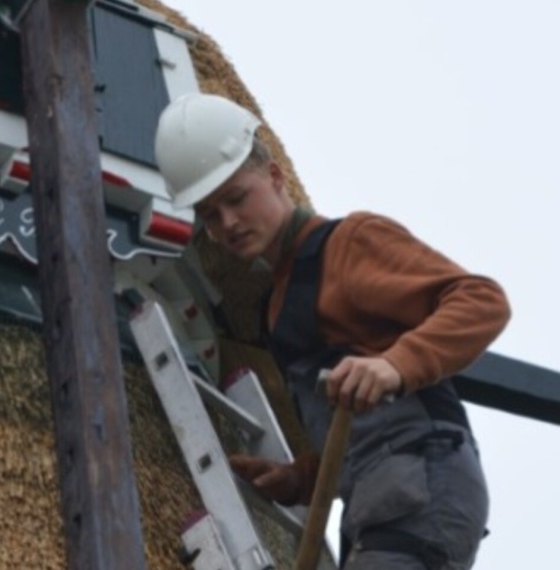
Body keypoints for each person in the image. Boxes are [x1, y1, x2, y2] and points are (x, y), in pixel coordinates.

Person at [154, 93, 511, 570]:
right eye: (210, 215)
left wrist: (394, 366)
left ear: (276, 177)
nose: (229, 223)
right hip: (376, 501)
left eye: (237, 198)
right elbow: (358, 430)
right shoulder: (278, 307)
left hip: (419, 484)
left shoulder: (348, 244)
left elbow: (483, 301)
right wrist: (301, 478)